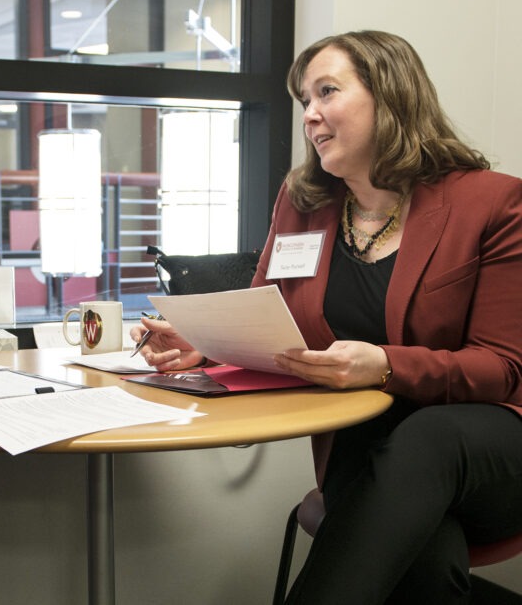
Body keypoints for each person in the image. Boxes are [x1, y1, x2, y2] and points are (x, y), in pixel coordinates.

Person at [133, 30, 522, 604]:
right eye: (303, 102)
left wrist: (386, 365)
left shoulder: (492, 203)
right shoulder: (304, 203)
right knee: (425, 567)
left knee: (429, 436)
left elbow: (502, 369)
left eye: (327, 92)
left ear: (389, 96)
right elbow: (268, 315)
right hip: (364, 448)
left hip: (485, 448)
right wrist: (207, 346)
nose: (310, 115)